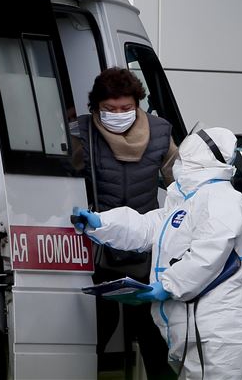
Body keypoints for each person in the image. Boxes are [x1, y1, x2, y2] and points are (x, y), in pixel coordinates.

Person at [73, 127, 242, 380]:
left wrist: (166, 286)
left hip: (220, 330)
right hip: (197, 329)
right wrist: (101, 223)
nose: (177, 164)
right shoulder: (187, 201)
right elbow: (147, 227)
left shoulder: (222, 199)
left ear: (198, 158)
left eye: (183, 158)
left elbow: (207, 255)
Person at [70, 67, 178, 380]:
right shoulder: (81, 132)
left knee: (154, 336)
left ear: (137, 104)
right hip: (96, 251)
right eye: (110, 109)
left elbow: (179, 184)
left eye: (125, 108)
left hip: (146, 252)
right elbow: (63, 174)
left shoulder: (160, 132)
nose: (118, 114)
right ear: (96, 107)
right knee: (96, 332)